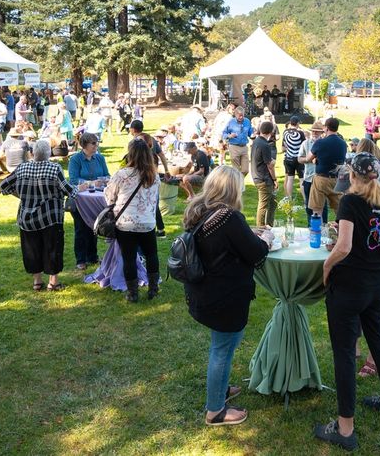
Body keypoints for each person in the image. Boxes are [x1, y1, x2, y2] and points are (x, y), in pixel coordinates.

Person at [315, 153, 380, 451]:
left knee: (344, 354)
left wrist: (327, 267)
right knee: (378, 343)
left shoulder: (351, 202)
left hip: (349, 287)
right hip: (376, 286)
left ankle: (345, 428)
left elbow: (345, 247)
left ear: (352, 175)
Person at [182, 166, 273, 427]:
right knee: (222, 349)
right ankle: (215, 411)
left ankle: (219, 390)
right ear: (232, 189)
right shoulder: (228, 217)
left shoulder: (200, 210)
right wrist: (266, 238)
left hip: (205, 291)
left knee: (221, 346)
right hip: (223, 296)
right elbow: (256, 254)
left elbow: (226, 244)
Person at [0, 141, 77, 292]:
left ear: (33, 153)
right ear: (49, 153)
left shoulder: (22, 167)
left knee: (31, 249)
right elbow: (69, 191)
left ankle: (37, 281)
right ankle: (53, 282)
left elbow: (3, 186)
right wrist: (80, 188)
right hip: (50, 217)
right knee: (52, 248)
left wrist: (22, 196)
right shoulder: (54, 168)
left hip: (27, 218)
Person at [105, 139, 161, 303]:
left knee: (128, 258)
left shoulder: (122, 174)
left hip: (126, 223)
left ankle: (133, 293)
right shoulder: (154, 176)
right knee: (152, 255)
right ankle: (153, 289)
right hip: (147, 222)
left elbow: (109, 197)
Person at [66, 133, 109, 270]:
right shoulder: (75, 159)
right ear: (84, 145)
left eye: (97, 143)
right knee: (81, 228)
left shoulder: (100, 158)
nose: (96, 146)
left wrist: (104, 180)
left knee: (94, 226)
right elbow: (73, 180)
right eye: (93, 143)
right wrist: (92, 183)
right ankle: (81, 259)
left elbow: (107, 175)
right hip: (80, 199)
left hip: (97, 198)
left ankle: (93, 256)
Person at [304, 117, 347, 219]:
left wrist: (315, 160)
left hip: (321, 179)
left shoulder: (320, 142)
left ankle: (317, 232)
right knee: (340, 210)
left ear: (326, 128)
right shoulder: (343, 144)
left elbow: (308, 158)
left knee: (317, 210)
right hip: (337, 179)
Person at [251, 121, 277, 227]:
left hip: (257, 176)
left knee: (273, 202)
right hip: (264, 178)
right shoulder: (265, 145)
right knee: (263, 205)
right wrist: (275, 179)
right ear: (271, 132)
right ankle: (260, 228)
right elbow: (269, 165)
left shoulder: (256, 141)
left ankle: (269, 225)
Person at [222, 107, 254, 178]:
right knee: (236, 170)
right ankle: (238, 185)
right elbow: (224, 133)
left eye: (242, 115)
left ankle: (239, 182)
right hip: (234, 147)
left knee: (245, 170)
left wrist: (253, 134)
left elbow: (250, 133)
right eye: (239, 115)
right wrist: (229, 136)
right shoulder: (231, 122)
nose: (241, 117)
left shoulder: (247, 121)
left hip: (244, 147)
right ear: (235, 114)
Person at [281, 116, 307, 199]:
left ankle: (289, 198)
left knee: (290, 179)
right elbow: (304, 145)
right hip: (298, 158)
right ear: (298, 123)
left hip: (288, 157)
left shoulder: (285, 132)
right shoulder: (300, 133)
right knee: (301, 179)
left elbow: (284, 145)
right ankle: (305, 199)